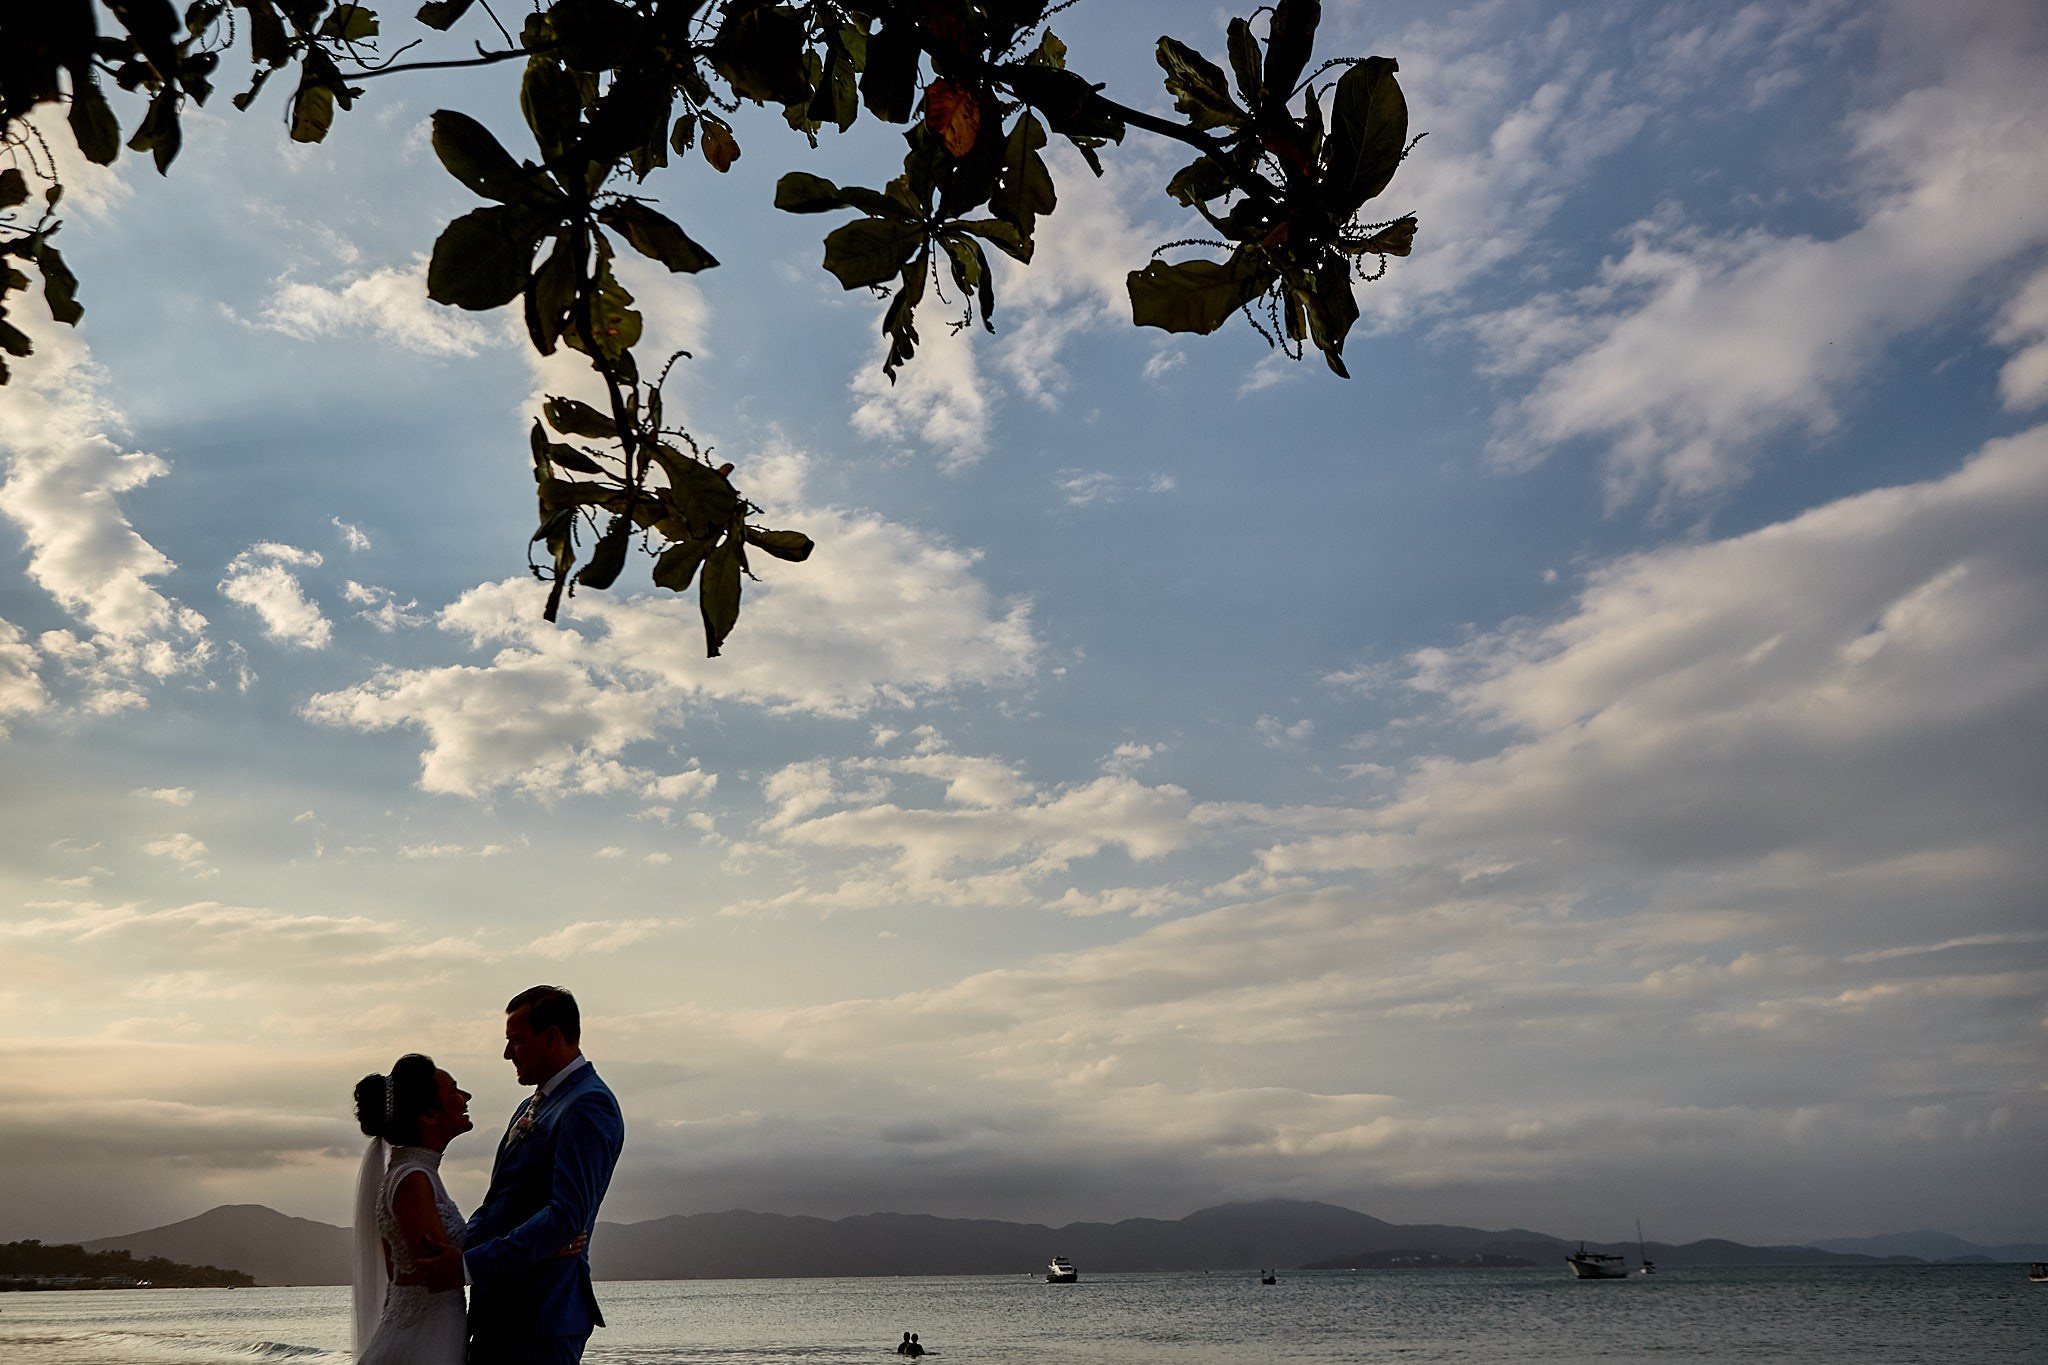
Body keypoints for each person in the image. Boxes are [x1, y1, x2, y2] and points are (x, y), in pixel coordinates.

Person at [465, 985, 626, 1365]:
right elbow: (499, 1202)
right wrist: (453, 1251)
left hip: (541, 1316)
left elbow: (567, 1216)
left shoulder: (588, 1104)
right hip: (500, 1313)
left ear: (552, 1036)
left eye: (516, 1041)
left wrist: (467, 1267)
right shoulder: (531, 1105)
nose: (507, 1053)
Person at [350, 1054, 474, 1365]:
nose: (466, 1096)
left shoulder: (413, 1174)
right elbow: (439, 1272)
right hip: (426, 1340)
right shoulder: (412, 1180)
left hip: (431, 1330)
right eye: (453, 1090)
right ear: (428, 1116)